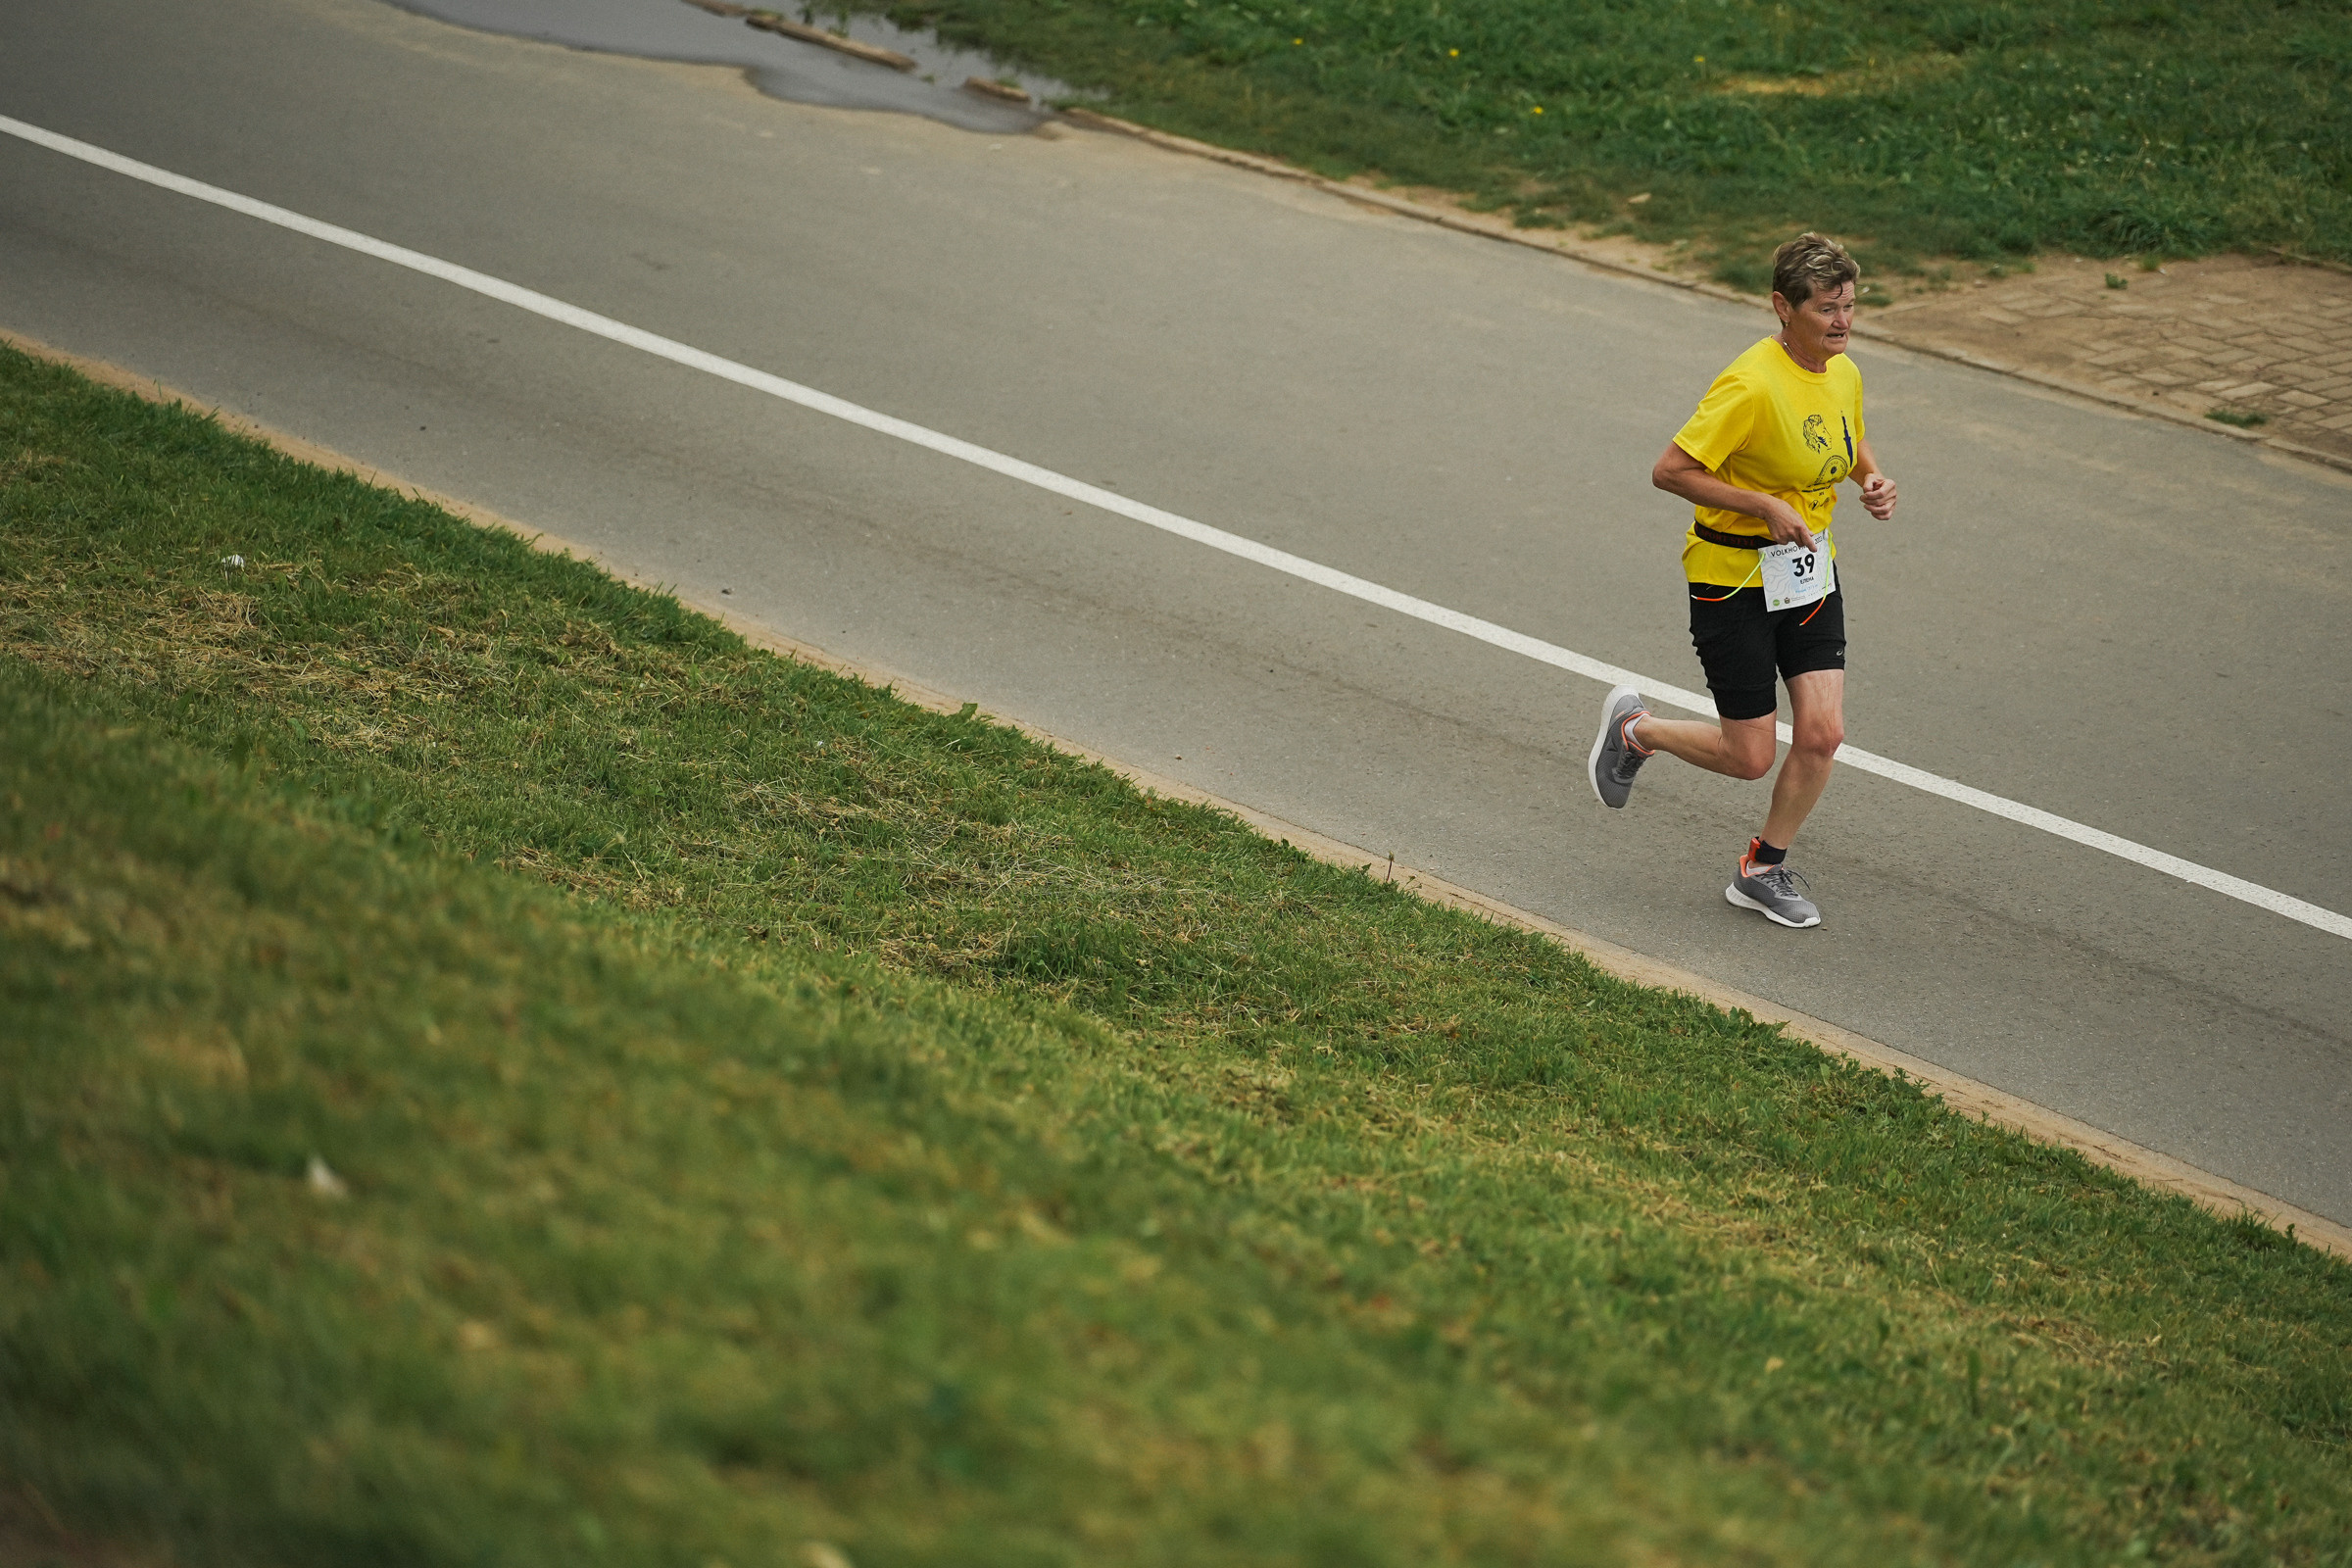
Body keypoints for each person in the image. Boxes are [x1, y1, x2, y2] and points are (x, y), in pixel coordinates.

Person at [1587, 231, 1897, 929]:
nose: (1842, 322)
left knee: (1822, 734)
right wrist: (1762, 504)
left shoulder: (1841, 370)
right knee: (1750, 754)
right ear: (1783, 308)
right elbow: (1671, 470)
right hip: (1732, 580)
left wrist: (1869, 477)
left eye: (1849, 306)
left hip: (1808, 572)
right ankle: (1638, 730)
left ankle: (1761, 868)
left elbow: (1843, 436)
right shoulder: (1750, 384)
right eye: (1826, 309)